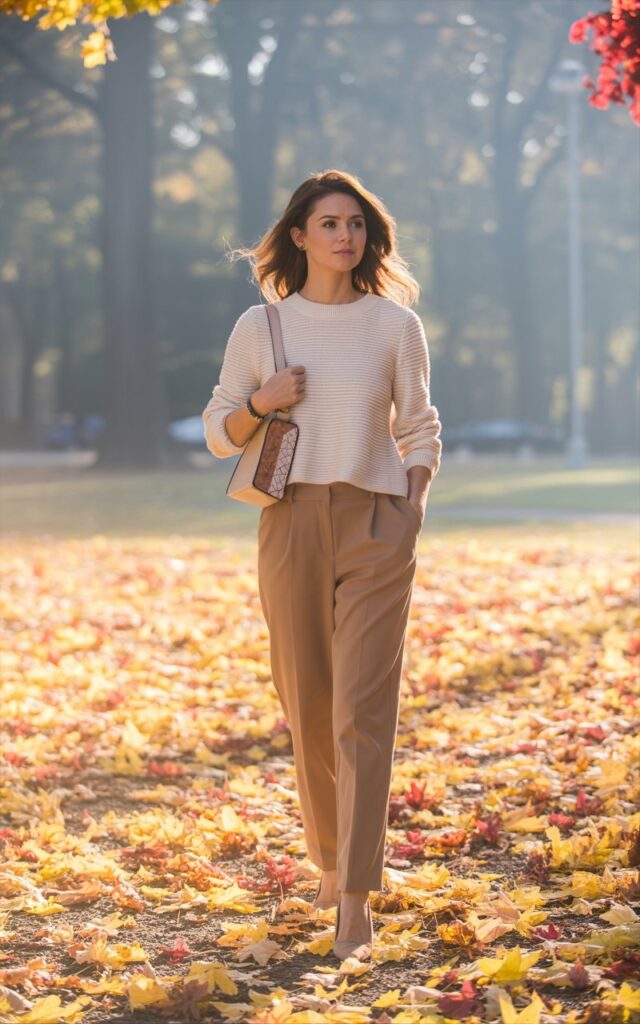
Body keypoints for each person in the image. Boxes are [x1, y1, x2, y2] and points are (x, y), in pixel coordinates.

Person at [202, 169, 442, 962]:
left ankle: (354, 898)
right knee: (308, 709)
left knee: (360, 716)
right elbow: (216, 431)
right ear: (298, 236)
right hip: (291, 522)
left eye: (357, 225)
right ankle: (330, 857)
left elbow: (419, 424)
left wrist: (411, 503)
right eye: (329, 223)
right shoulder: (260, 327)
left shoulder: (393, 326)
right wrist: (264, 401)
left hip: (377, 524)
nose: (345, 236)